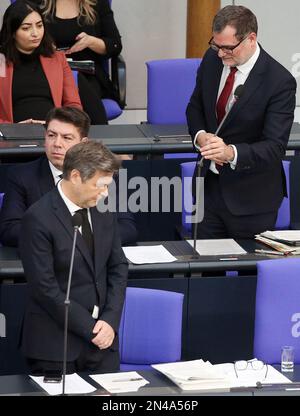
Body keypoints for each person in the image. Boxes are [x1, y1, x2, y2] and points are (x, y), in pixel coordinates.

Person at [186, 5, 297, 239]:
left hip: (252, 200)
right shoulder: (212, 60)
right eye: (215, 46)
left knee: (248, 275)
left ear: (251, 39)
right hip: (209, 190)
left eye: (228, 48)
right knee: (204, 272)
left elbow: (274, 147)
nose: (220, 54)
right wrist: (200, 136)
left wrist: (230, 153)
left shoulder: (279, 82)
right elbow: (195, 106)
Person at [19, 140, 128, 375]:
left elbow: (118, 265)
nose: (105, 193)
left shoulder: (102, 206)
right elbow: (45, 289)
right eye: (99, 185)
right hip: (55, 347)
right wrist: (92, 330)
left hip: (103, 344)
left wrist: (109, 321)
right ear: (76, 176)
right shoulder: (37, 218)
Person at [0, 106, 138, 246]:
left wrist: (84, 239)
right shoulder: (21, 176)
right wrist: (62, 238)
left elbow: (127, 228)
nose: (57, 144)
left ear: (83, 143)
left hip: (93, 262)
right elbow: (9, 230)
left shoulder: (106, 176)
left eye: (67, 138)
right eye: (51, 135)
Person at [35, 0, 122, 125]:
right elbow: (19, 39)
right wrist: (44, 47)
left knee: (82, 90)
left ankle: (90, 142)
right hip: (48, 73)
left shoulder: (97, 4)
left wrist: (90, 41)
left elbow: (115, 45)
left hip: (87, 74)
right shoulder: (37, 3)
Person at [0, 0, 81, 124]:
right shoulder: (1, 62)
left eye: (39, 25)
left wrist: (55, 125)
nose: (35, 33)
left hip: (52, 132)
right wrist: (13, 127)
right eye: (26, 28)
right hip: (12, 134)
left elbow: (74, 106)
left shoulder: (57, 58)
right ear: (12, 33)